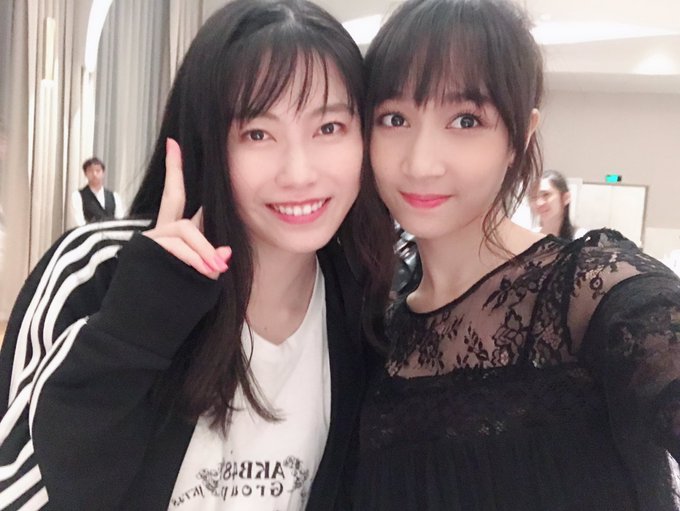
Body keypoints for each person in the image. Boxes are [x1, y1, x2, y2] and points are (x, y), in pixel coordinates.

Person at [0, 1, 393, 509]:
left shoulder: (361, 303)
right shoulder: (100, 271)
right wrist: (142, 319)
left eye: (329, 127)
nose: (299, 173)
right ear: (205, 142)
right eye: (257, 134)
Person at [354, 0, 680, 510]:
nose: (420, 163)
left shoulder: (586, 292)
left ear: (520, 137)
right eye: (394, 118)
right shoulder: (377, 329)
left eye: (465, 120)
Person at [529, 169, 585, 240]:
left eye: (546, 194)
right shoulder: (530, 236)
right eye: (533, 197)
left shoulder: (581, 237)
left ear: (566, 198)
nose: (539, 203)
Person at [70, 156, 126, 226]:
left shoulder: (114, 196)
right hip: (90, 232)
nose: (94, 174)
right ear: (85, 174)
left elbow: (119, 220)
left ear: (103, 173)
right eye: (90, 171)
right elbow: (79, 221)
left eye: (98, 170)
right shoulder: (78, 196)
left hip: (112, 232)